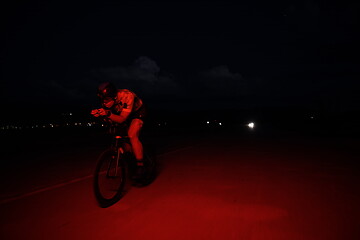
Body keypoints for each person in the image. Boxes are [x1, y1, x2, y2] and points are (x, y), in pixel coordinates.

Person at [91, 82, 147, 180]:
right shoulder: (106, 100)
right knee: (119, 135)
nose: (104, 103)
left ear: (114, 97)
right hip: (122, 113)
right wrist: (100, 115)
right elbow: (110, 119)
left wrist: (107, 114)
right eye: (102, 100)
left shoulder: (127, 95)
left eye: (107, 100)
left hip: (137, 113)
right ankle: (131, 156)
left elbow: (122, 119)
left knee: (132, 134)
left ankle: (140, 165)